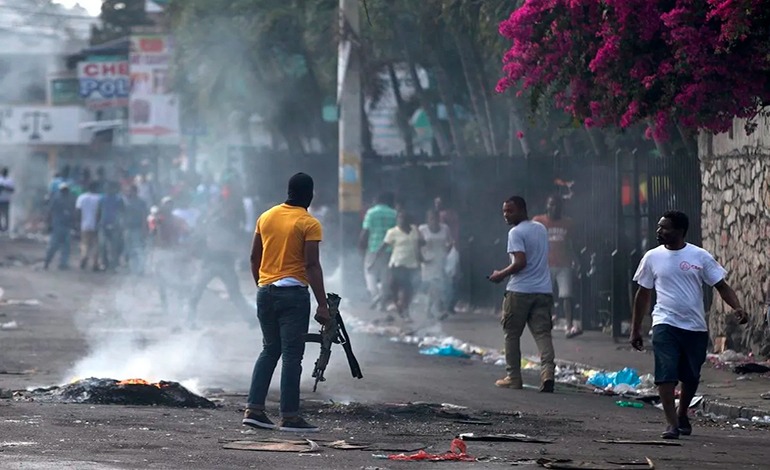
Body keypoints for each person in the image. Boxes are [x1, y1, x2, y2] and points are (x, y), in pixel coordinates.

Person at [630, 210, 747, 439]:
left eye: (665, 227)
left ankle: (682, 412)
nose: (659, 231)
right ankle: (671, 424)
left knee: (691, 375)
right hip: (664, 323)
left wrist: (737, 307)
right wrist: (636, 329)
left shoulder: (699, 256)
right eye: (659, 226)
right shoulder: (652, 257)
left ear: (680, 231)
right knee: (665, 373)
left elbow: (721, 285)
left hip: (694, 327)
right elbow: (642, 295)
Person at [244, 172, 330, 433]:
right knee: (292, 355)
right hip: (293, 295)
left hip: (265, 291)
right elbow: (311, 265)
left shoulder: (266, 216)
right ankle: (290, 416)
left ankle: (254, 410)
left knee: (270, 350)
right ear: (310, 195)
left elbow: (254, 258)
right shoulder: (308, 223)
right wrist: (322, 304)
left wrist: (263, 286)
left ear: (288, 191)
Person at [488, 196, 556, 393]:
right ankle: (548, 374)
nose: (506, 215)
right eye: (504, 211)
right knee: (543, 334)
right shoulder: (541, 228)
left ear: (522, 210)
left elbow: (520, 262)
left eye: (510, 211)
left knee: (511, 334)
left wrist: (500, 275)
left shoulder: (515, 233)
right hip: (543, 290)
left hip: (519, 292)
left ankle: (513, 377)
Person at [187, 194, 255, 329]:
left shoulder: (230, 224)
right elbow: (203, 239)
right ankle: (190, 321)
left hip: (224, 264)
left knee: (234, 294)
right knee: (196, 292)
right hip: (210, 263)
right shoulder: (211, 221)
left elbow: (233, 243)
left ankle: (251, 319)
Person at [533, 195, 580, 338]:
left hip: (564, 263)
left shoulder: (568, 223)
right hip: (545, 264)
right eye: (551, 204)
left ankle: (569, 326)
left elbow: (571, 243)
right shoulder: (538, 222)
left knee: (567, 295)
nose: (554, 208)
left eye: (557, 205)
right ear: (546, 206)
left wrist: (575, 259)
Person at [374, 211, 422, 321]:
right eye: (399, 218)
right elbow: (383, 247)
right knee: (395, 288)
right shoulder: (392, 232)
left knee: (408, 289)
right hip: (397, 264)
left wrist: (421, 259)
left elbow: (418, 245)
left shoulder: (414, 230)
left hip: (411, 264)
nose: (401, 221)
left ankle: (405, 310)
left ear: (408, 220)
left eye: (403, 218)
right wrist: (375, 260)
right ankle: (401, 308)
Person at [359, 192, 397, 310]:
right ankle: (382, 300)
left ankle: (375, 295)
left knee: (370, 272)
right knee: (386, 275)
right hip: (389, 248)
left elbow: (365, 231)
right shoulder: (393, 213)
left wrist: (361, 245)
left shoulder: (371, 212)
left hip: (373, 247)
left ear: (377, 200)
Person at [418, 209, 452, 318]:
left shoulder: (445, 228)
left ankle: (431, 309)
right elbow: (417, 245)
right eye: (431, 218)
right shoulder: (422, 229)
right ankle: (432, 309)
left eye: (436, 218)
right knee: (432, 286)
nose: (434, 221)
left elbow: (450, 242)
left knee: (438, 286)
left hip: (440, 261)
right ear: (427, 219)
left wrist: (446, 253)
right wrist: (421, 258)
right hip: (427, 262)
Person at [44, 183, 75, 270]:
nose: (64, 192)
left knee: (65, 246)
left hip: (64, 225)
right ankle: (47, 261)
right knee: (55, 245)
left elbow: (73, 212)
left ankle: (62, 263)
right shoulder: (58, 199)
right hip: (59, 225)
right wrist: (48, 223)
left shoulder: (68, 199)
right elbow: (50, 211)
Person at [98, 181, 125, 271]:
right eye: (107, 188)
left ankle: (115, 264)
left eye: (109, 188)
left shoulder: (118, 199)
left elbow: (122, 212)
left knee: (115, 246)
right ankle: (104, 263)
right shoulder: (102, 198)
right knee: (103, 245)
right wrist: (98, 222)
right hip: (103, 224)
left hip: (115, 225)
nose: (108, 190)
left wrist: (121, 224)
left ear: (114, 189)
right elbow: (99, 211)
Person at [123, 185, 149, 275]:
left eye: (130, 191)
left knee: (138, 249)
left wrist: (144, 229)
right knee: (129, 249)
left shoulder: (141, 202)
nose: (128, 193)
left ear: (135, 192)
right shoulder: (125, 201)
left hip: (137, 228)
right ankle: (132, 268)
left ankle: (140, 269)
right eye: (127, 191)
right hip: (127, 228)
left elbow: (144, 216)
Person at [76, 182, 102, 271]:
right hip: (96, 224)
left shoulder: (81, 197)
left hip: (84, 224)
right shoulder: (99, 198)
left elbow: (78, 211)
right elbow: (100, 212)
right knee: (96, 244)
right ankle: (95, 263)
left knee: (84, 243)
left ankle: (84, 256)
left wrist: (78, 222)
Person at [0, 167, 15, 232]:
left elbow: (12, 190)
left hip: (6, 200)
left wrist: (5, 188)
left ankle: (6, 228)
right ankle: (1, 227)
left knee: (6, 214)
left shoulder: (10, 180)